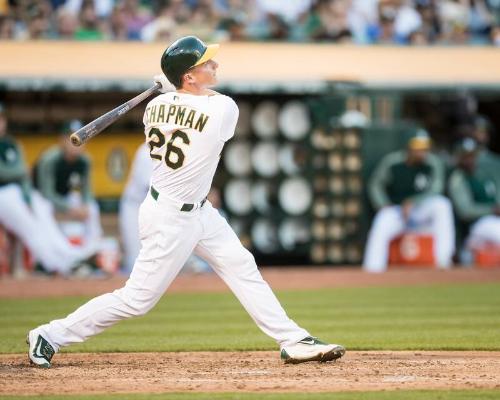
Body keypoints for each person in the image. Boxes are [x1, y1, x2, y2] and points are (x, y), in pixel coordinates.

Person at [27, 36, 345, 368]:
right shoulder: (223, 108)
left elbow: (180, 104)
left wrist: (171, 87)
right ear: (189, 76)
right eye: (206, 63)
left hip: (198, 211)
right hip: (169, 218)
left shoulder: (152, 107)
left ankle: (292, 339)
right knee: (137, 300)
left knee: (241, 265)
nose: (215, 65)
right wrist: (174, 86)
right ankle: (50, 334)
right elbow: (206, 105)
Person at [0, 104, 95, 274]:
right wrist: (20, 173)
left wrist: (27, 196)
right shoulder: (50, 158)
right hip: (5, 194)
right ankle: (59, 263)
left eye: (1, 119)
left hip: (20, 194)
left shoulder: (11, 144)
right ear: (62, 139)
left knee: (41, 216)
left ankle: (73, 257)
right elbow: (16, 172)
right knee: (31, 226)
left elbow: (23, 176)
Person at [363, 129, 455, 273]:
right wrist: (383, 204)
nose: (421, 151)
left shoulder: (433, 163)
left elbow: (436, 189)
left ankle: (443, 261)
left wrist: (413, 201)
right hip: (397, 210)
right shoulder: (393, 162)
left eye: (424, 147)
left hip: (421, 210)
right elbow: (376, 184)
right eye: (417, 147)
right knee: (382, 220)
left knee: (442, 205)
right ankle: (372, 270)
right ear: (408, 147)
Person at [33, 120, 102, 248]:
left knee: (92, 207)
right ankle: (52, 250)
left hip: (62, 197)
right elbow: (47, 193)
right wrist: (69, 208)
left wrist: (85, 205)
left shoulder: (84, 161)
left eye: (83, 137)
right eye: (72, 138)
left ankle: (93, 249)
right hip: (40, 197)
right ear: (62, 140)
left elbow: (86, 190)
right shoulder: (50, 159)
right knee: (44, 208)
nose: (77, 142)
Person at [448, 138, 500, 254]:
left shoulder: (483, 174)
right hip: (476, 226)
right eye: (465, 156)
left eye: (472, 156)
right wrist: (491, 210)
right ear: (459, 158)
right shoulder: (458, 178)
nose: (469, 160)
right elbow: (465, 211)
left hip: (494, 221)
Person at [119, 143, 152, 273]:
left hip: (153, 208)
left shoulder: (170, 150)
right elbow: (151, 188)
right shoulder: (145, 152)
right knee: (135, 259)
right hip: (135, 207)